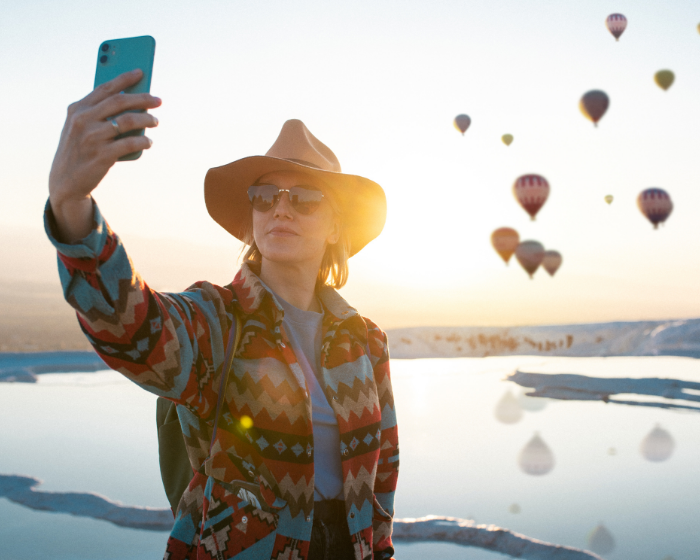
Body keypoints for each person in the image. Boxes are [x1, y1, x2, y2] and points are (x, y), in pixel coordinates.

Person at [45, 69, 399, 560]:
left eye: (303, 198)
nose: (280, 208)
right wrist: (72, 206)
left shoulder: (366, 341)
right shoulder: (217, 319)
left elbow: (382, 483)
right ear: (251, 219)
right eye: (264, 196)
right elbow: (133, 329)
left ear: (337, 225)